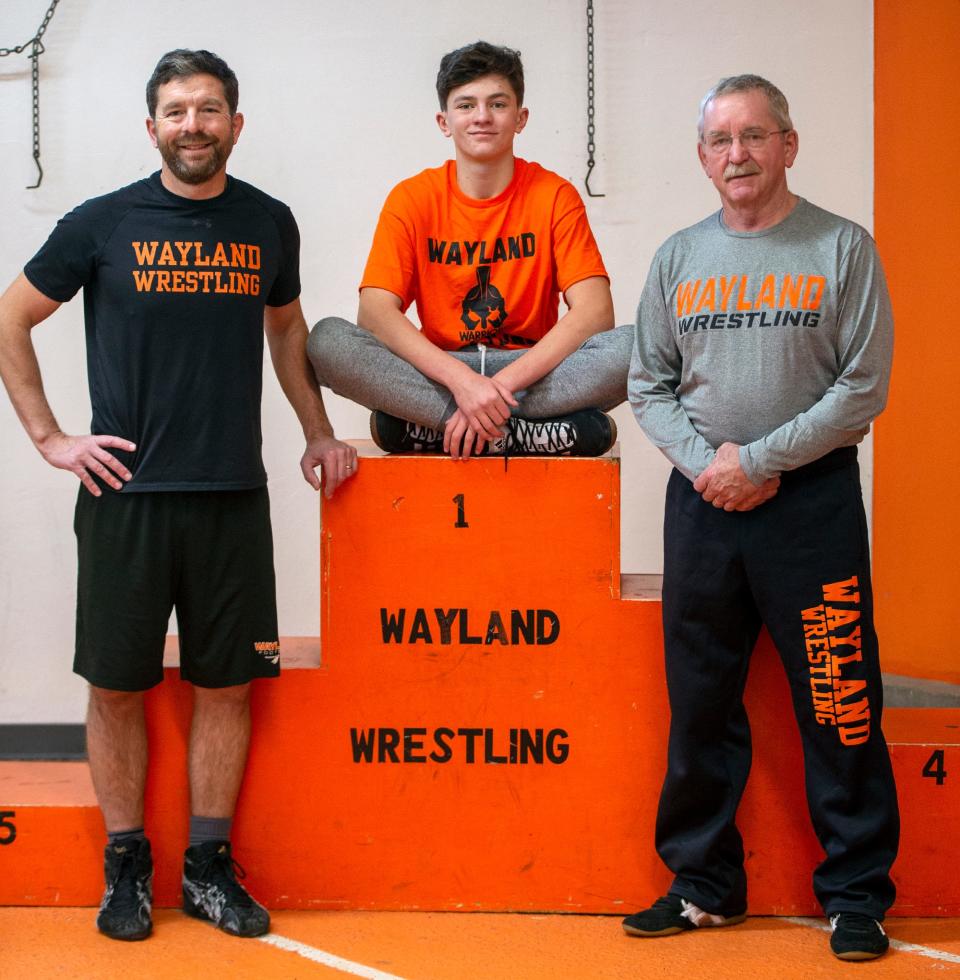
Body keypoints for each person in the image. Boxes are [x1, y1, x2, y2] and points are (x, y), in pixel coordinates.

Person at [0, 49, 356, 942]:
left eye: (209, 110)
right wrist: (49, 437)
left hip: (234, 494)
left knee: (226, 684)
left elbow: (285, 329)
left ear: (237, 123)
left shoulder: (268, 222)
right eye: (176, 110)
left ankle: (206, 868)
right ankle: (126, 868)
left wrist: (317, 429)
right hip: (127, 498)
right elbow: (10, 317)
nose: (192, 125)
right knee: (117, 686)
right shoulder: (102, 223)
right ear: (151, 125)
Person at [625, 75, 899, 962]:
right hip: (704, 504)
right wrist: (714, 467)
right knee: (702, 701)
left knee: (839, 700)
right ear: (702, 157)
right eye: (719, 141)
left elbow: (863, 388)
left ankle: (856, 895)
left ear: (789, 143)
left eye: (753, 136)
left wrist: (763, 459)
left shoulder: (842, 249)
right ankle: (705, 885)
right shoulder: (677, 257)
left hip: (810, 503)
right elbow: (647, 385)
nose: (736, 155)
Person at [308, 41, 632, 460]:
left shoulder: (555, 195)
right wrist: (463, 385)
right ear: (444, 121)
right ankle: (515, 434)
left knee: (636, 349)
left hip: (530, 372)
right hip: (441, 371)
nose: (482, 117)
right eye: (466, 105)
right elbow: (374, 314)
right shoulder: (412, 198)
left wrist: (498, 388)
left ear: (521, 118)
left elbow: (595, 313)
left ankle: (431, 428)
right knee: (327, 341)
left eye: (497, 104)